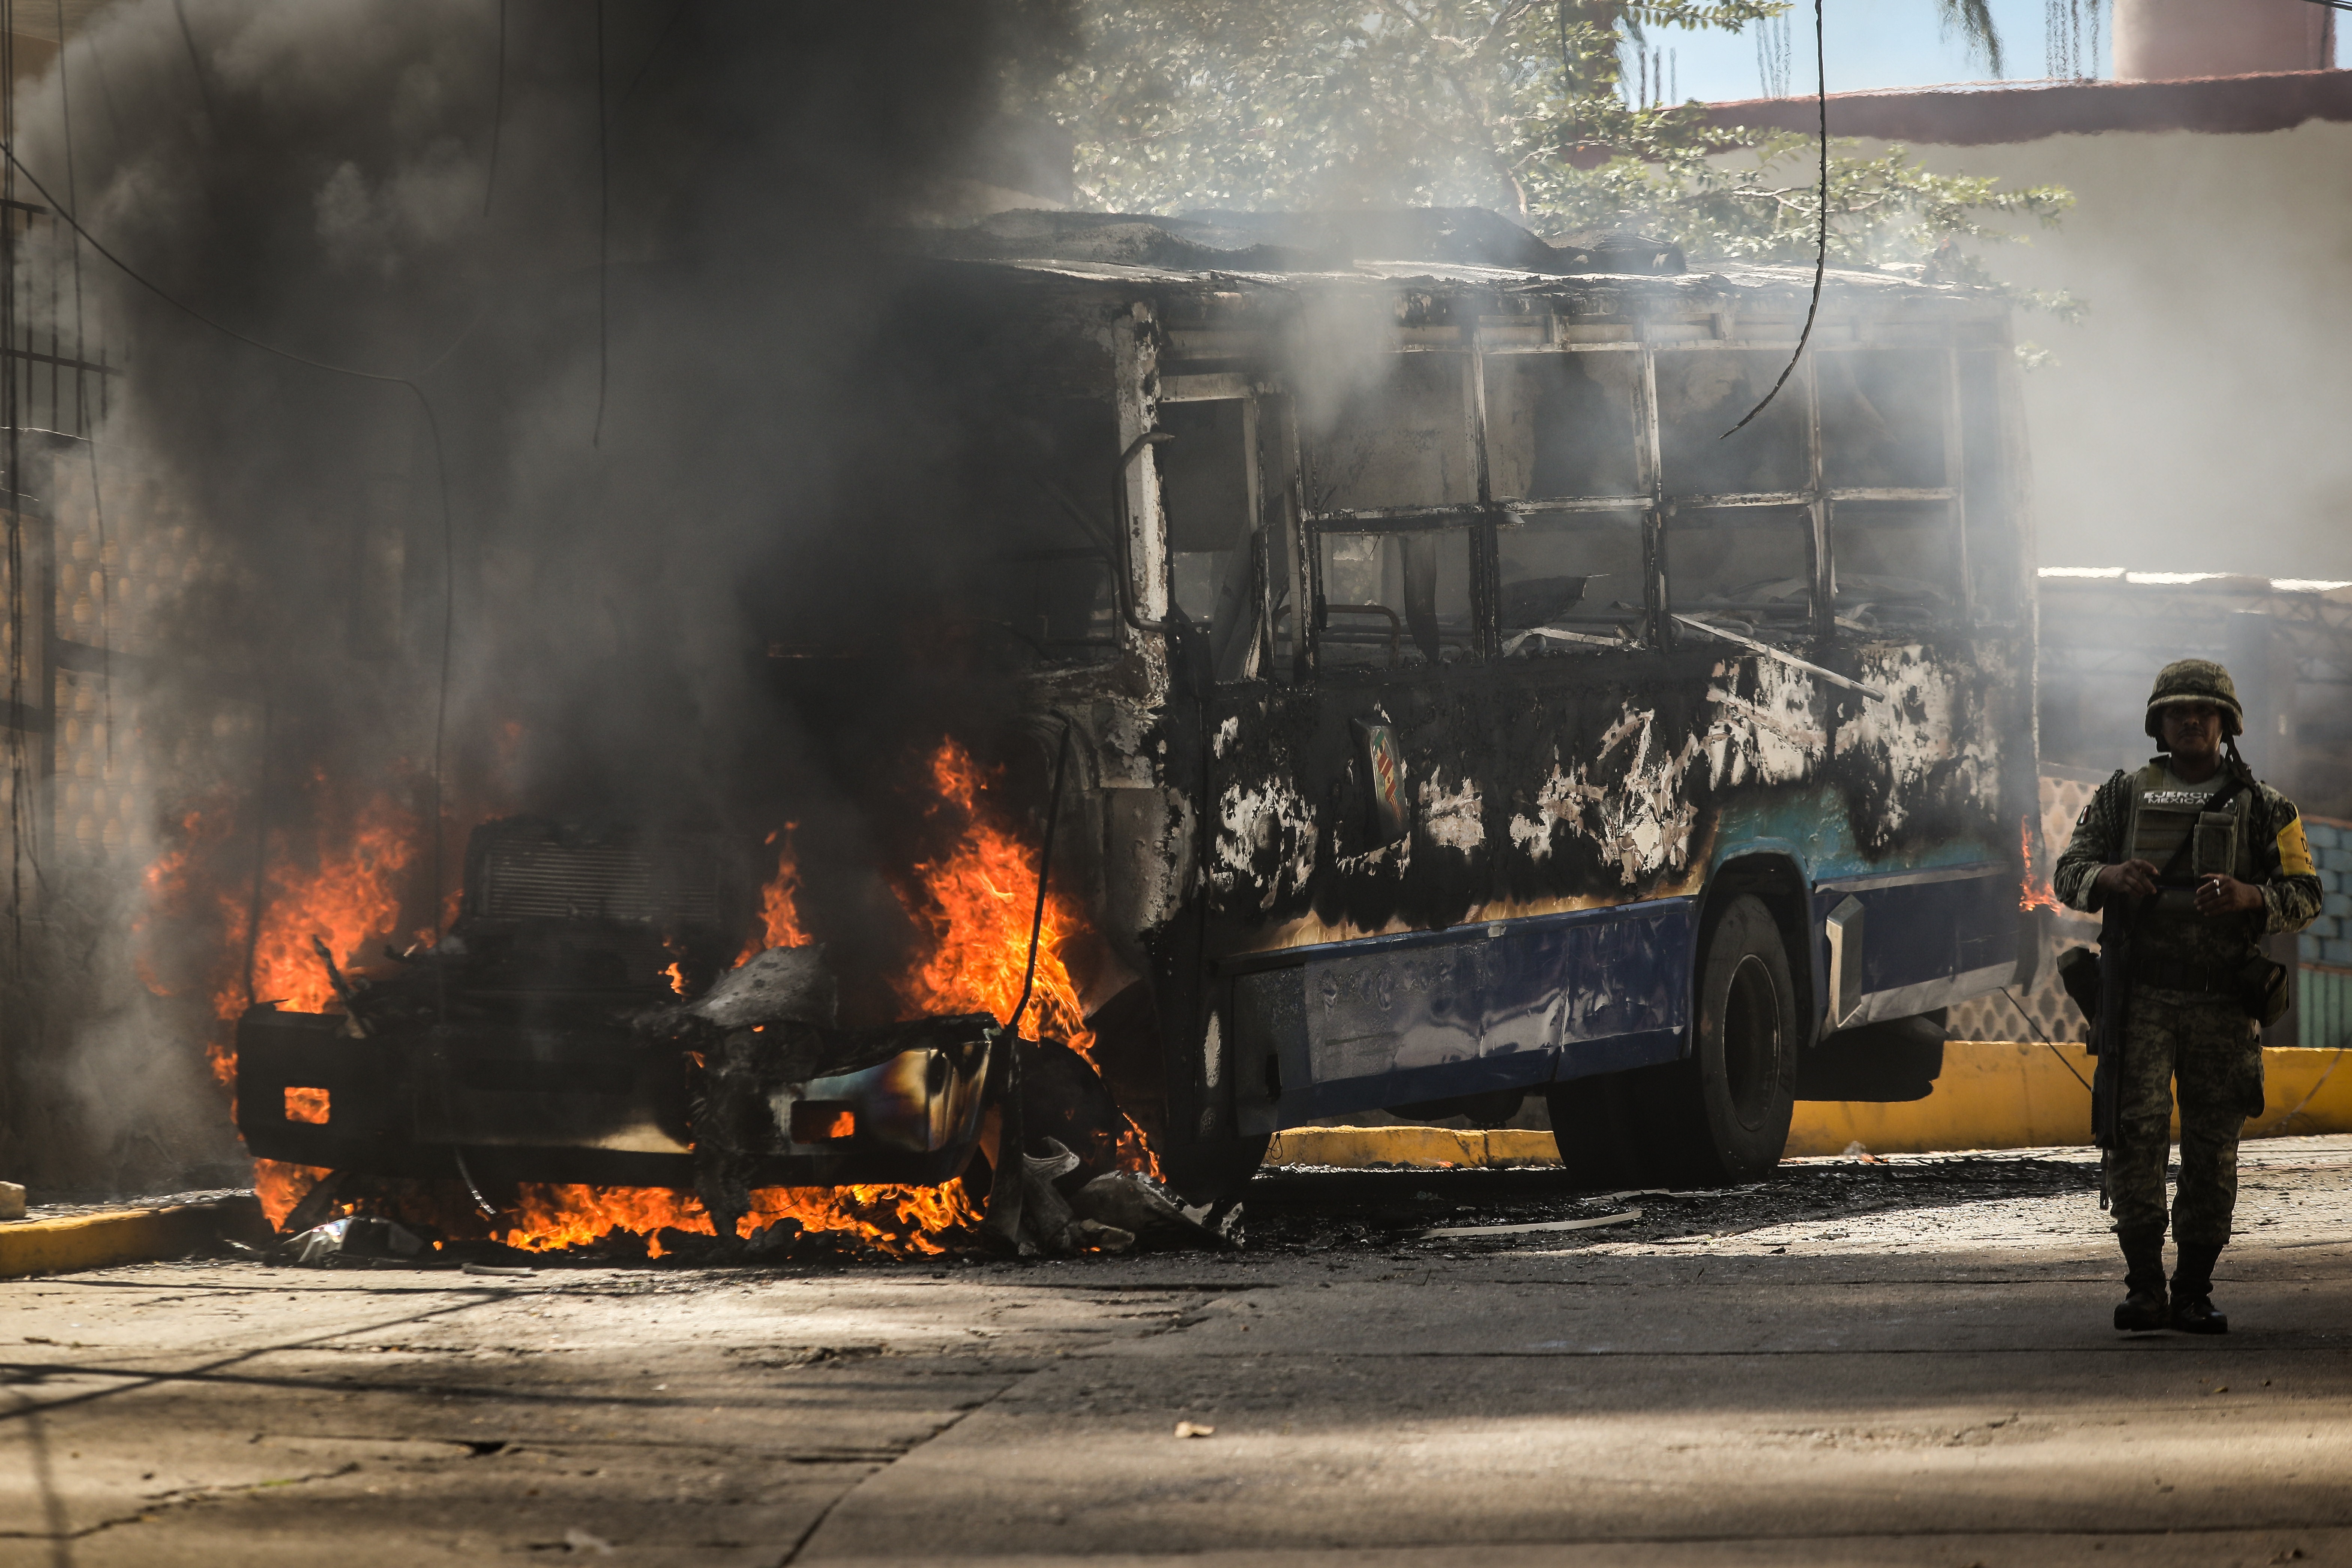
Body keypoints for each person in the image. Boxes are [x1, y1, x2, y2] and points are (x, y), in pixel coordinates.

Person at [2053, 659, 2320, 1334]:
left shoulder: (2266, 807)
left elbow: (2308, 894)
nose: (2192, 721)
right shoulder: (2122, 795)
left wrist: (2250, 895)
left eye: (2204, 712)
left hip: (2222, 1005)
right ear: (2160, 724)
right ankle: (2144, 1285)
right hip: (2141, 999)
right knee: (2134, 1138)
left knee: (2212, 1145)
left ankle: (2194, 1287)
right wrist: (2112, 874)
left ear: (2227, 725)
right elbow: (2068, 872)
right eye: (2178, 712)